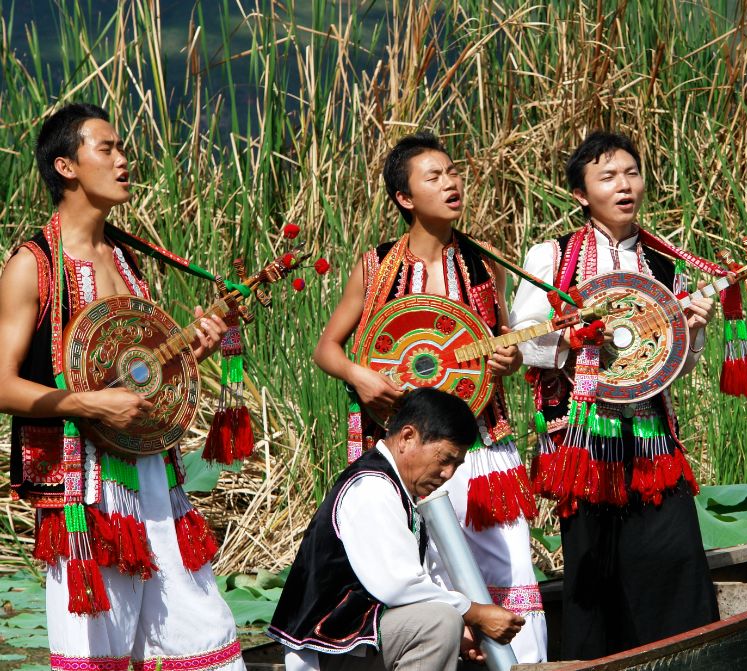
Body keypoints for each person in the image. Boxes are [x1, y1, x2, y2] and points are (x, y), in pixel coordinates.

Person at [0, 103, 244, 670]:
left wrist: (193, 349)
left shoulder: (131, 259)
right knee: (97, 652)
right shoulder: (32, 265)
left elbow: (138, 371)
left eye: (121, 148)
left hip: (156, 473)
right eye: (105, 149)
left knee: (206, 636)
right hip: (84, 489)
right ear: (66, 166)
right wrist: (88, 404)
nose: (123, 160)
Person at [312, 132, 547, 662]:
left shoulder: (482, 267)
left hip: (481, 440)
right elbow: (327, 348)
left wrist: (505, 363)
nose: (451, 183)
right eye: (433, 176)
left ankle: (527, 663)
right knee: (431, 563)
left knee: (509, 563)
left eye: (452, 172)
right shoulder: (375, 268)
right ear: (404, 197)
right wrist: (360, 376)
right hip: (414, 446)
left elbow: (503, 344)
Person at [509, 131, 721, 659]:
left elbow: (674, 368)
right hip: (583, 438)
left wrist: (692, 330)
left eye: (631, 173)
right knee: (593, 568)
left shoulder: (663, 263)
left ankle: (684, 658)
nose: (624, 186)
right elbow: (523, 342)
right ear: (581, 194)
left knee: (674, 556)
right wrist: (572, 337)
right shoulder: (551, 257)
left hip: (650, 436)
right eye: (607, 177)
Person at [267, 388, 524, 671]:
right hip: (329, 647)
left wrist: (460, 634)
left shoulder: (396, 487)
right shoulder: (372, 487)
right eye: (444, 459)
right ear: (407, 438)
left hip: (355, 643)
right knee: (439, 623)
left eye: (456, 465)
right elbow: (398, 585)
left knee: (443, 623)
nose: (448, 474)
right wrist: (472, 613)